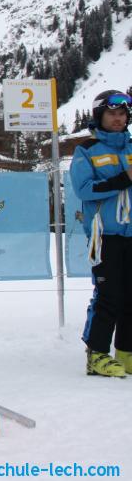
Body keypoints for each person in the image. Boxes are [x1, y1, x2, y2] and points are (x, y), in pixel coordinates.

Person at [71, 89, 132, 378]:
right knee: (109, 295)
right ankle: (96, 354)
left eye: (122, 114)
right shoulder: (87, 150)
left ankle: (126, 353)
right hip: (104, 235)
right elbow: (84, 190)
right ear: (99, 116)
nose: (118, 119)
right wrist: (123, 179)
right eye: (112, 114)